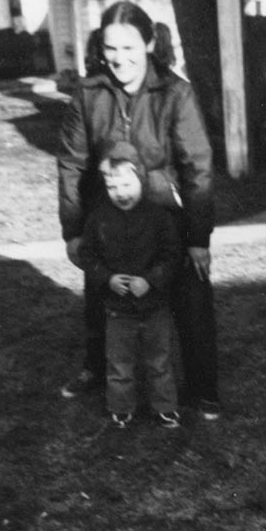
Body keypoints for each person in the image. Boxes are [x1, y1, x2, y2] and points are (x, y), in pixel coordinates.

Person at [57, 0, 221, 421]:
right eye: (110, 48)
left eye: (129, 47)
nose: (119, 59)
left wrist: (198, 239)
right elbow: (72, 164)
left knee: (191, 299)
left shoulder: (176, 92)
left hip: (166, 218)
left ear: (149, 43)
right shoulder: (88, 93)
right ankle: (97, 369)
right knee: (102, 295)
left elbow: (197, 167)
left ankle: (203, 388)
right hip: (109, 219)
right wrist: (74, 230)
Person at [77, 140, 181, 429]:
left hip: (155, 306)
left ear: (141, 179)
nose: (120, 193)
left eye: (126, 184)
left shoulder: (158, 217)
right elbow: (87, 255)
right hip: (117, 309)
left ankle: (165, 406)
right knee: (119, 363)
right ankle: (121, 407)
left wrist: (151, 281)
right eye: (112, 187)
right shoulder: (99, 218)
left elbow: (172, 255)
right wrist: (107, 278)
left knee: (159, 361)